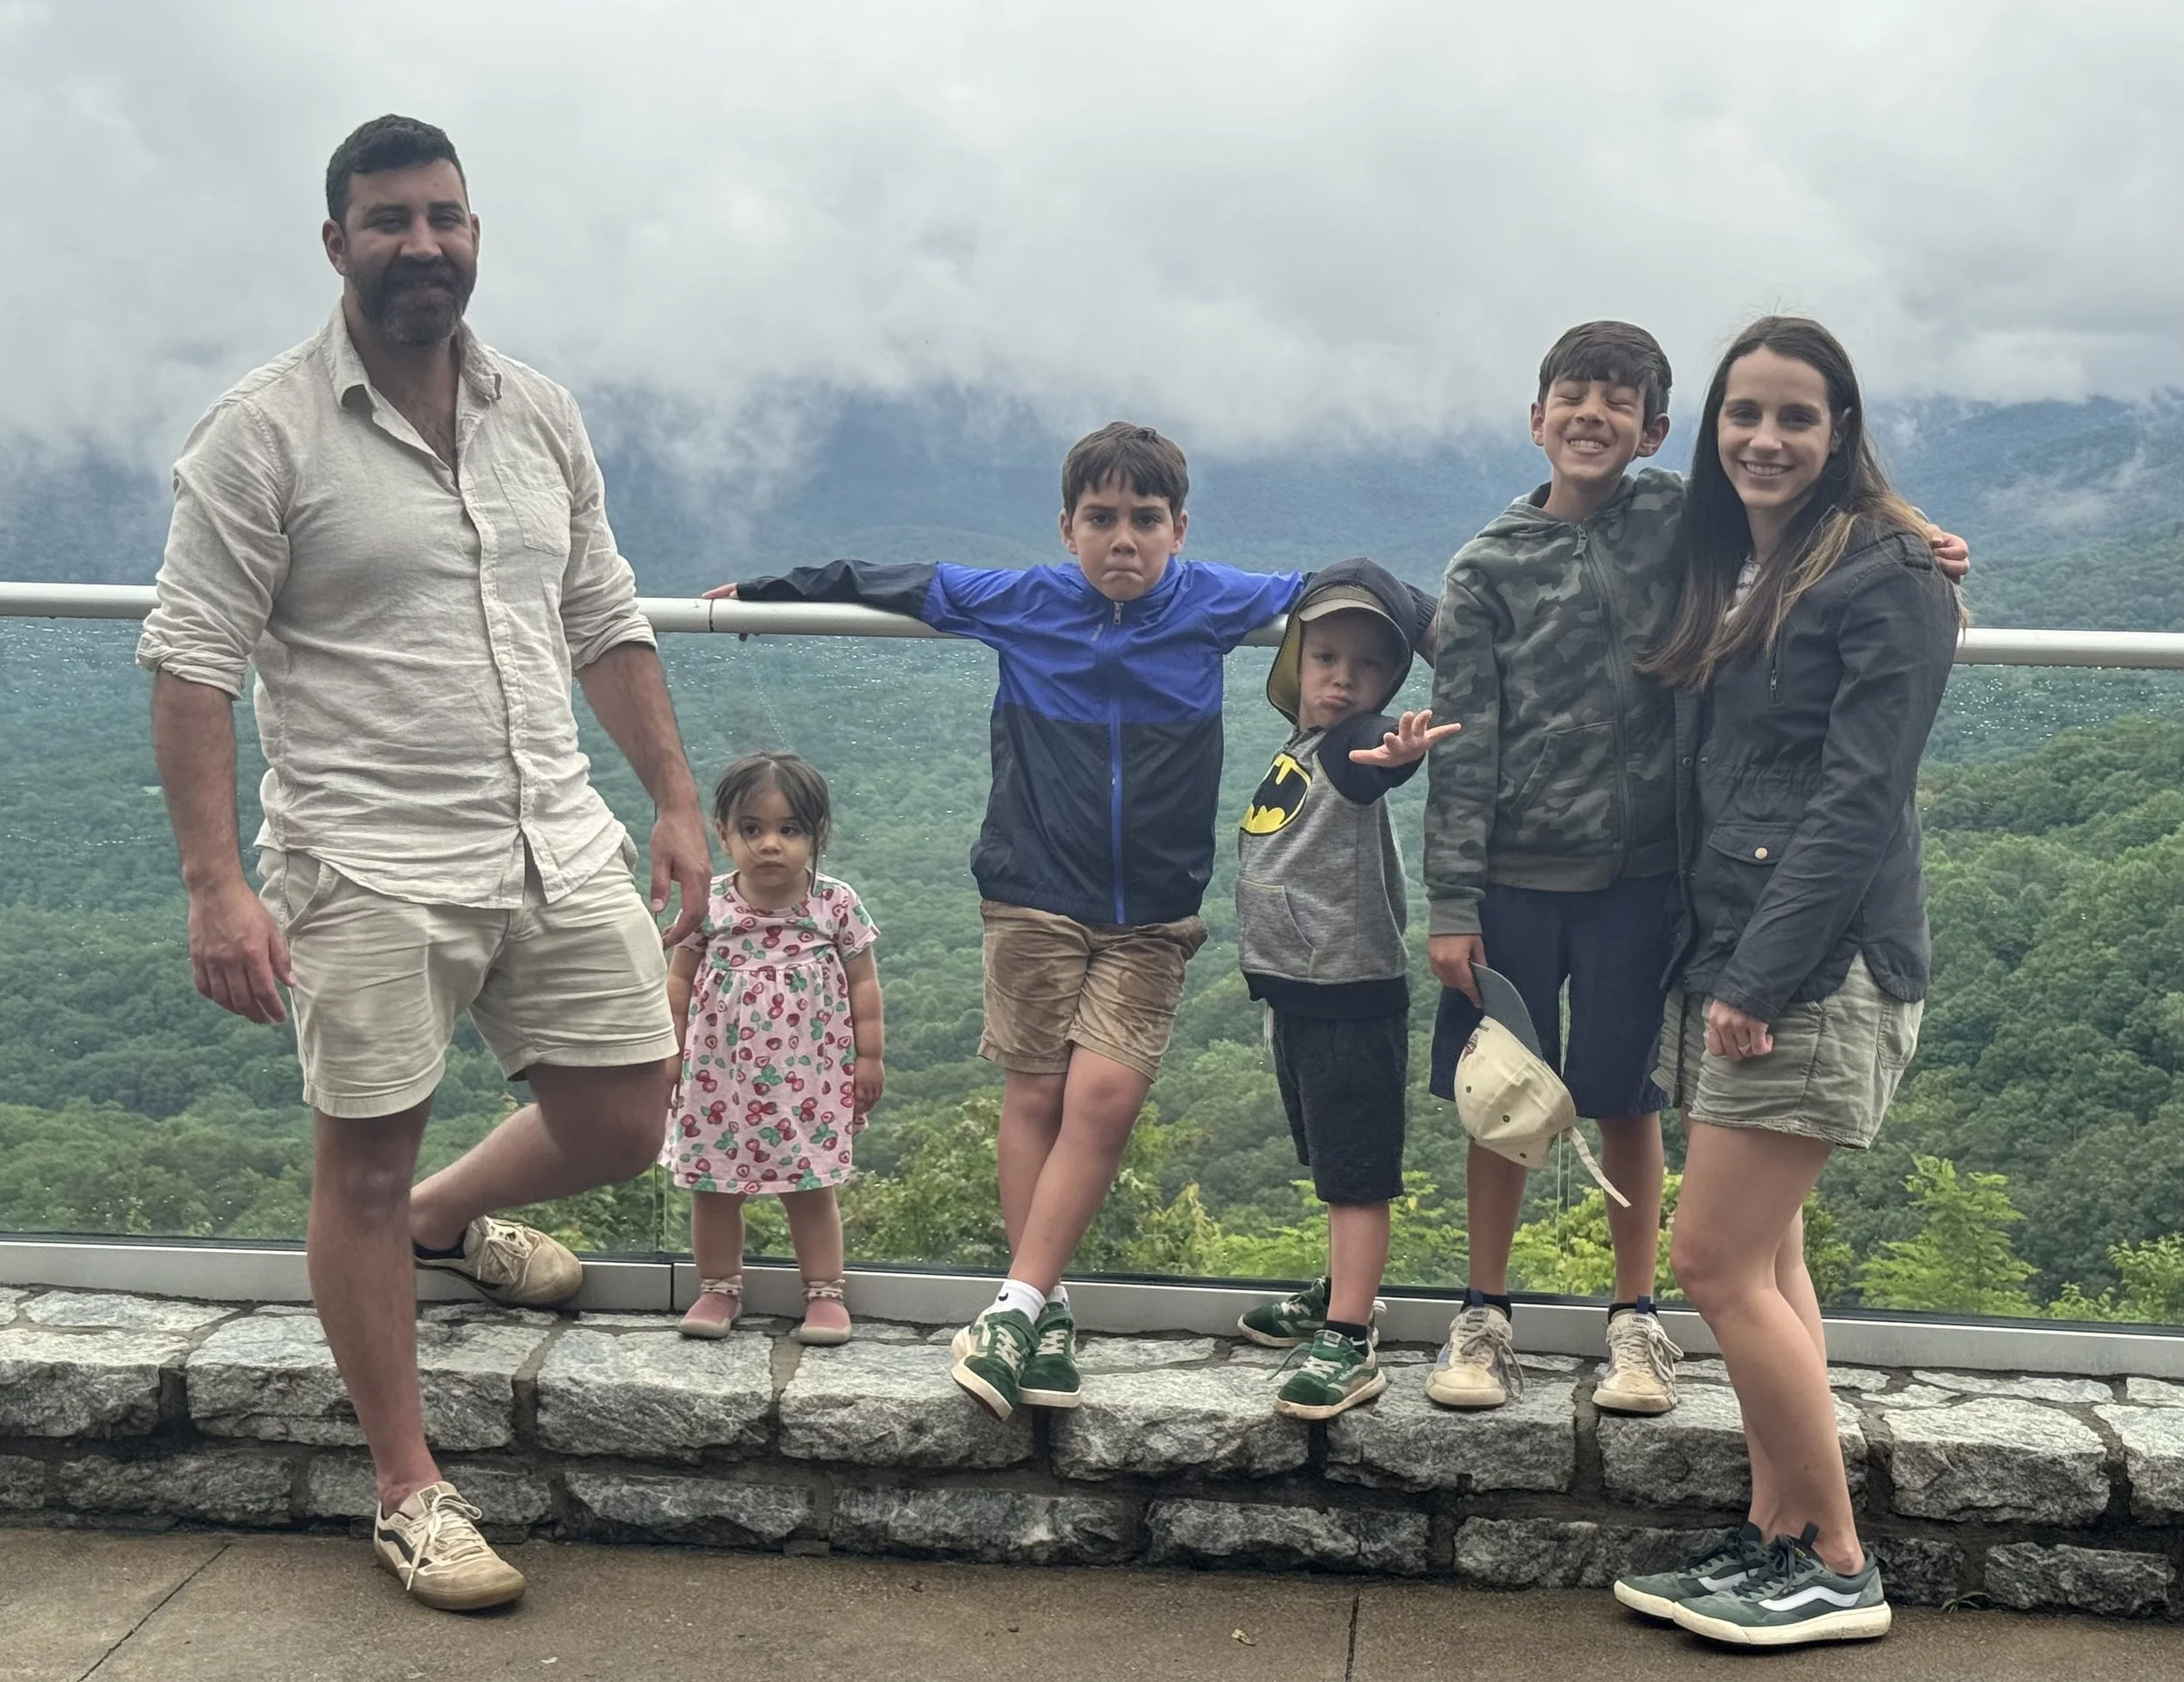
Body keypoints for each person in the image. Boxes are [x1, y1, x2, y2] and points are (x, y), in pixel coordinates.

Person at [138, 115, 708, 1612]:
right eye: (388, 221)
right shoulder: (259, 432)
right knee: (362, 1161)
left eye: (445, 219)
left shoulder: (540, 413)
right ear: (337, 244)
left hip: (555, 825)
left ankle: (453, 1221)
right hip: (368, 855)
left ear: (476, 233)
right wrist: (216, 886)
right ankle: (409, 1489)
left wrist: (673, 796)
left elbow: (602, 609)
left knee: (625, 1114)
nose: (423, 246)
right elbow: (190, 661)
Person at [1420, 323, 1969, 1417]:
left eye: (1617, 402)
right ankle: (1483, 1309)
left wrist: (1926, 546)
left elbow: (1818, 534)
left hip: (1648, 880)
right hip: (1515, 876)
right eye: (1570, 396)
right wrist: (1450, 896)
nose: (1590, 416)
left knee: (1629, 1094)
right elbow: (1463, 740)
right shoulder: (1484, 566)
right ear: (1535, 417)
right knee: (1500, 1097)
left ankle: (1635, 1318)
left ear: (1656, 429)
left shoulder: (1679, 519)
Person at [707, 423, 1305, 1419]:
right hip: (1030, 892)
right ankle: (1044, 1311)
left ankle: (1013, 1305)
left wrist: (1436, 623)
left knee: (1104, 1100)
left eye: (1144, 519)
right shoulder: (1027, 600)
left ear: (1179, 528)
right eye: (1101, 518)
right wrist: (767, 591)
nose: (1123, 538)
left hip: (1154, 911)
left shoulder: (1214, 601)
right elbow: (893, 580)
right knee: (1034, 1098)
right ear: (1066, 527)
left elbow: (1328, 591)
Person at [1611, 316, 1961, 1647]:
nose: (1765, 438)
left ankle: (1836, 1557)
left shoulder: (1885, 575)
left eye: (1796, 417)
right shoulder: (1744, 561)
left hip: (1812, 964)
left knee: (1709, 1262)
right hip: (1742, 953)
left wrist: (1757, 977)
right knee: (1770, 1259)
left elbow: (1859, 800)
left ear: (1842, 432)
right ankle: (1775, 1534)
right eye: (1743, 414)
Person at [1230, 560, 1452, 1419]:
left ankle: (1352, 1335)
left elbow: (1376, 762)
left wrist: (1396, 750)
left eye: (1365, 664)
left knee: (1356, 1173)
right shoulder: (1299, 743)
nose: (1342, 676)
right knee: (1330, 1159)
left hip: (1349, 994)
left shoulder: (1352, 745)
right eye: (1325, 656)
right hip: (1298, 993)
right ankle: (1337, 1293)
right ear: (1296, 660)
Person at [666, 753, 882, 1346]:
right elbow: (679, 978)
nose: (770, 845)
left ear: (816, 835)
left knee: (809, 1184)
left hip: (808, 1075)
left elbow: (864, 981)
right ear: (724, 833)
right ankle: (717, 1287)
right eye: (752, 829)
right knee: (713, 1187)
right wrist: (670, 1050)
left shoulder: (834, 904)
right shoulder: (708, 903)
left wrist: (870, 1057)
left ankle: (825, 1292)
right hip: (717, 1076)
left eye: (790, 830)